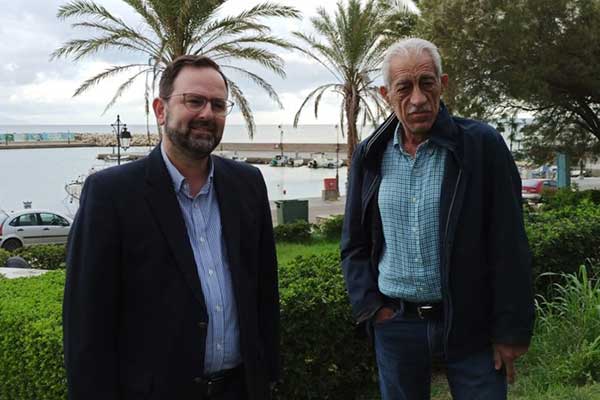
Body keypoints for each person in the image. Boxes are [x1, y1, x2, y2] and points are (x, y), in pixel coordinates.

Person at [63, 55, 279, 400]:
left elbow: (264, 289)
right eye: (194, 101)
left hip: (240, 389)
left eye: (218, 105)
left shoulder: (248, 184)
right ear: (160, 110)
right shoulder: (111, 194)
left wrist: (268, 376)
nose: (207, 114)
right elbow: (86, 322)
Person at [341, 38, 534, 400]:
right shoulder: (370, 154)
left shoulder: (482, 145)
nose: (417, 99)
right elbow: (354, 243)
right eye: (404, 87)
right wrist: (371, 308)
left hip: (472, 325)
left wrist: (511, 330)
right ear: (386, 94)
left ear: (442, 85)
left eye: (426, 83)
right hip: (397, 325)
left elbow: (509, 243)